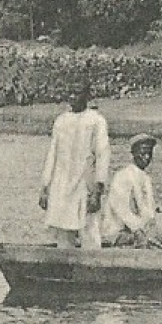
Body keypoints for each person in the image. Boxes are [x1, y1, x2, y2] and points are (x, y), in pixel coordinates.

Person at [39, 81, 111, 249]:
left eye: (77, 93)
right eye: (70, 93)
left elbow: (102, 154)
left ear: (87, 96)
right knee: (63, 232)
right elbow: (52, 154)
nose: (72, 97)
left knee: (89, 230)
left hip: (84, 183)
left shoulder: (96, 121)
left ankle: (94, 266)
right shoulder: (61, 121)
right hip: (61, 184)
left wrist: (98, 190)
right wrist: (45, 187)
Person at [103, 133, 161, 247]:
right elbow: (121, 209)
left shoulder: (146, 178)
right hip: (117, 231)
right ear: (133, 153)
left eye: (149, 153)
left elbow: (148, 210)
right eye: (143, 152)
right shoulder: (123, 176)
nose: (147, 157)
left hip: (140, 229)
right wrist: (138, 229)